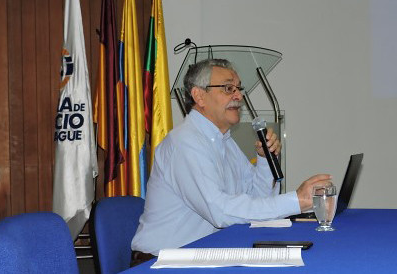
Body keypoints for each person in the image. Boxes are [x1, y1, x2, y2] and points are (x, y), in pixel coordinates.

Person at [130, 59, 332, 258]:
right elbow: (220, 211)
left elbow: (259, 200)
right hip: (162, 262)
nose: (239, 96)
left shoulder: (224, 140)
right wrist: (296, 201)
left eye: (238, 88)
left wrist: (264, 160)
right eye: (228, 88)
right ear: (199, 96)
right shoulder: (185, 143)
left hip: (204, 255)